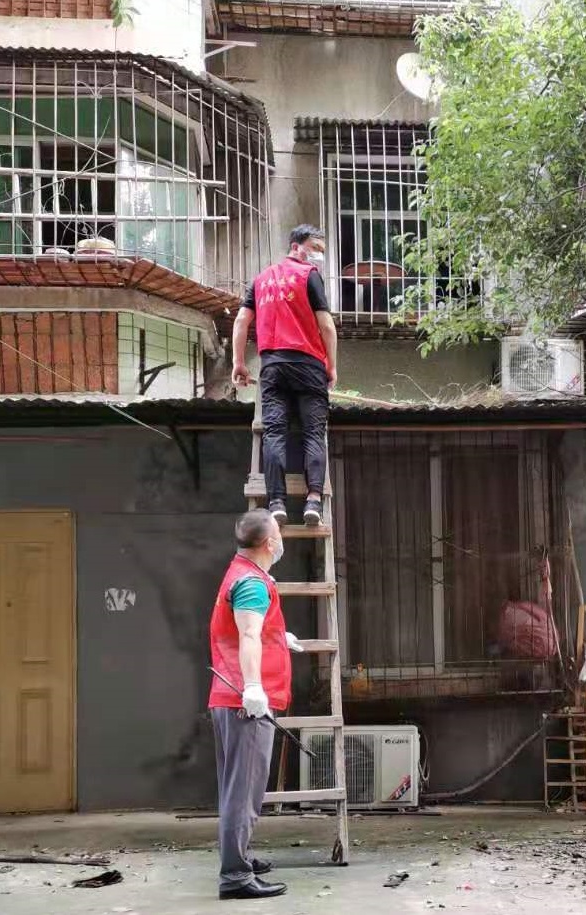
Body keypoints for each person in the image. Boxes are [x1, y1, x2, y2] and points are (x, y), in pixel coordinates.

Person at [208, 509, 290, 900]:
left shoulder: (241, 573)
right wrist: (254, 687)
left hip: (230, 697)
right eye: (278, 533)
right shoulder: (252, 583)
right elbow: (247, 635)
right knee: (244, 793)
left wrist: (280, 637)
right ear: (269, 543)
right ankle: (236, 877)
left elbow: (244, 629)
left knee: (237, 788)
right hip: (246, 703)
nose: (281, 538)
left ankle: (240, 856)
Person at [231, 225, 338, 527]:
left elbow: (241, 321)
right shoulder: (309, 276)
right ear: (296, 246)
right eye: (315, 248)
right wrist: (331, 366)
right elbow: (326, 326)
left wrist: (239, 363)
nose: (318, 255)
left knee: (274, 433)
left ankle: (276, 502)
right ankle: (313, 501)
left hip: (273, 366)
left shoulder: (261, 279)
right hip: (309, 365)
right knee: (313, 433)